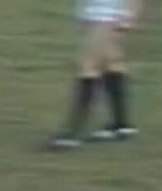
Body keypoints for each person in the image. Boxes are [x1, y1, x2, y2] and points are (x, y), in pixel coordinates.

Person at [50, 0, 141, 149]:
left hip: (107, 13)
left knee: (88, 65)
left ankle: (73, 132)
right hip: (98, 10)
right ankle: (121, 125)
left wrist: (130, 13)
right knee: (111, 63)